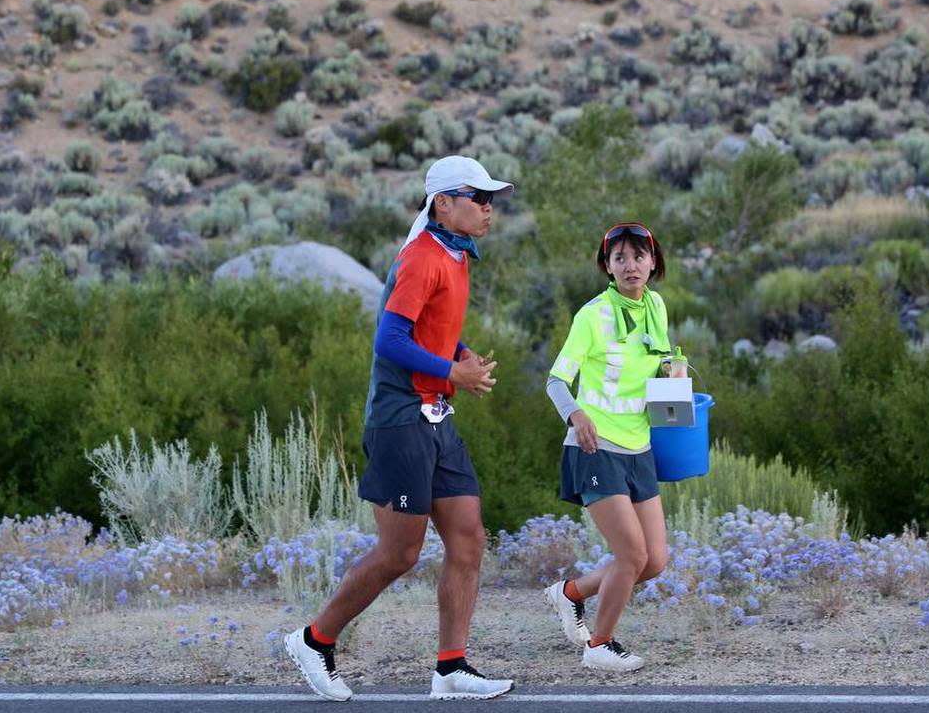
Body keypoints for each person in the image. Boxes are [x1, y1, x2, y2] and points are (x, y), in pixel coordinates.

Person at [285, 156, 516, 701]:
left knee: (468, 538)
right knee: (400, 554)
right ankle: (314, 641)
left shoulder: (455, 256)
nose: (488, 209)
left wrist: (460, 356)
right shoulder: (421, 258)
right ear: (442, 203)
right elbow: (388, 342)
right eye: (478, 198)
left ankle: (451, 667)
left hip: (436, 416)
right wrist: (450, 370)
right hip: (399, 418)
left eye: (492, 200)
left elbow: (428, 332)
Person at [541, 222, 672, 672]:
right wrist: (575, 415)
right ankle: (599, 646)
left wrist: (674, 378)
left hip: (640, 447)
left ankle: (570, 593)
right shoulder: (591, 316)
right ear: (607, 267)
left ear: (653, 262)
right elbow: (557, 380)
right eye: (620, 258)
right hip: (594, 447)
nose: (630, 265)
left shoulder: (656, 306)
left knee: (653, 561)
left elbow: (650, 369)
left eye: (638, 256)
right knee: (631, 555)